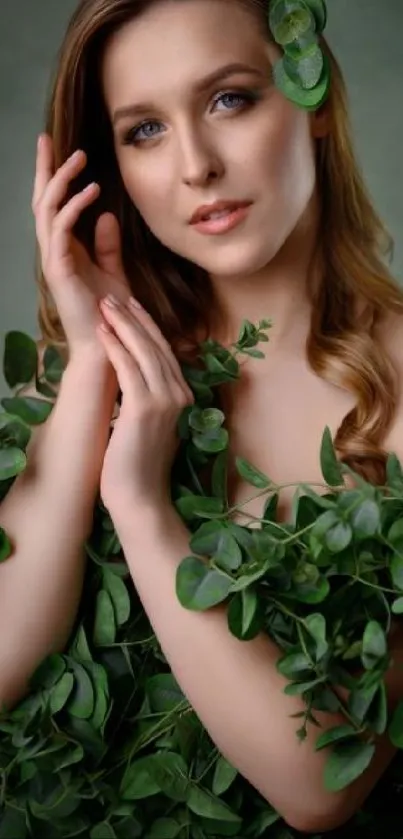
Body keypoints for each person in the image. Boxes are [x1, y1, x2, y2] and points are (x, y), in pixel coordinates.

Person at [1, 0, 403, 831]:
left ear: (314, 99)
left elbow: (321, 785)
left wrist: (144, 511)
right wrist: (89, 370)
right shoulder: (81, 369)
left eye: (229, 99)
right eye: (143, 130)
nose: (194, 167)